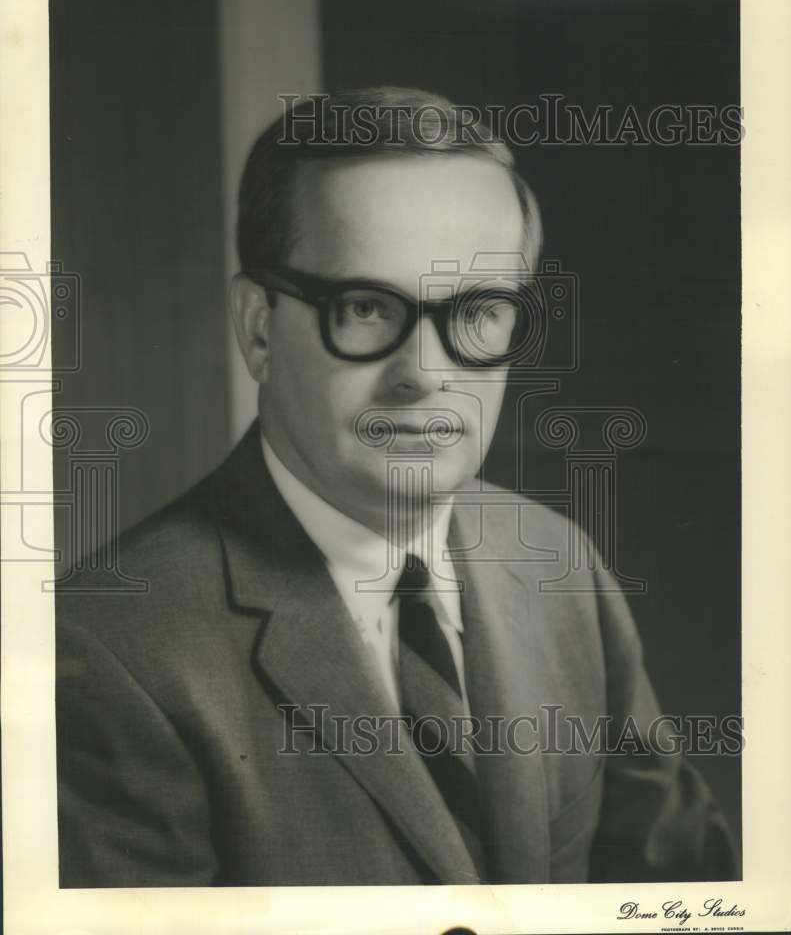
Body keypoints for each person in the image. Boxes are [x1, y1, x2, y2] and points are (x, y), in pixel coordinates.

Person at [56, 86, 737, 887]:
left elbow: (683, 894)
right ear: (259, 328)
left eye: (479, 310)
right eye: (368, 307)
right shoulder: (104, 650)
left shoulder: (559, 563)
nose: (425, 374)